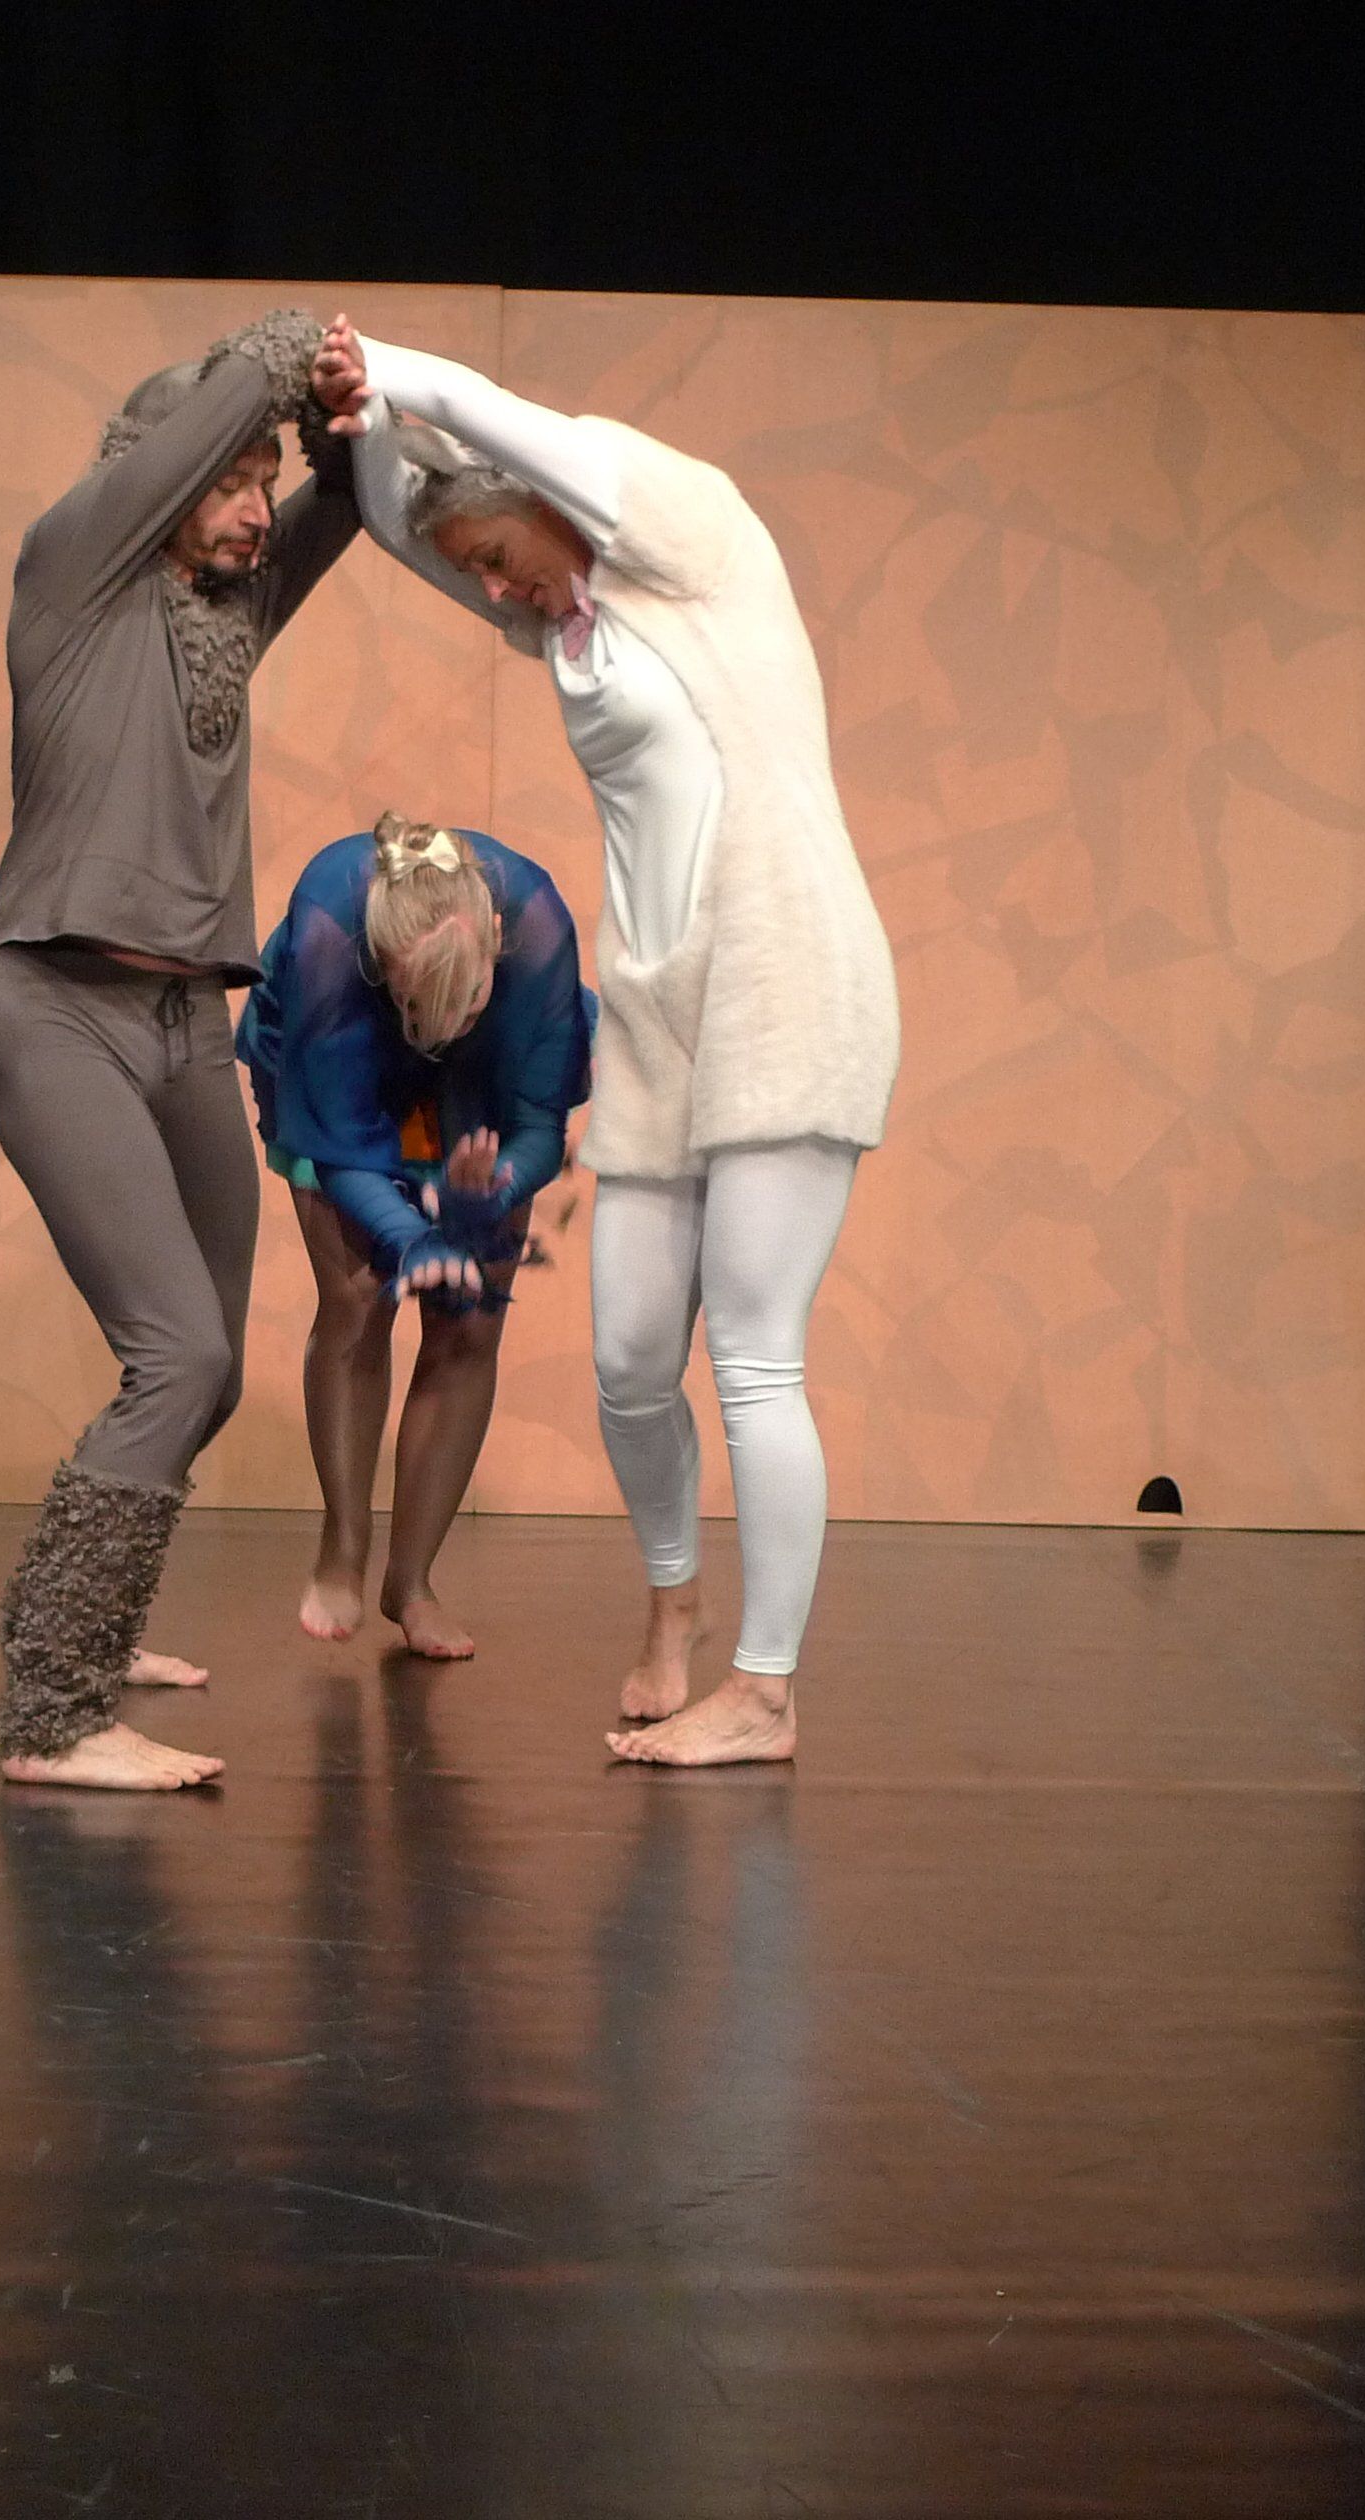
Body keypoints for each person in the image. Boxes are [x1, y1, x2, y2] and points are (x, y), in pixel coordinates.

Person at [317, 318, 901, 1768]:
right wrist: (363, 425)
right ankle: (673, 1608)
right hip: (657, 1017)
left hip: (782, 981)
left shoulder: (693, 544)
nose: (494, 590)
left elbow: (490, 415)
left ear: (544, 502)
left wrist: (373, 359)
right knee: (632, 1361)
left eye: (496, 556)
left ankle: (764, 1692)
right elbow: (398, 519)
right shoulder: (567, 622)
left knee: (752, 1355)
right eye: (479, 578)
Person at [0, 310, 362, 1792]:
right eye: (231, 479)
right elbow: (215, 410)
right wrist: (294, 346)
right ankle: (53, 1712)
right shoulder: (73, 569)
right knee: (176, 1353)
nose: (257, 507)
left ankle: (82, 1611)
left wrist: (341, 419)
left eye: (262, 481)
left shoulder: (225, 618)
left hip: (190, 1024)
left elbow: (345, 497)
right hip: (61, 1009)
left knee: (210, 1372)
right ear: (154, 469)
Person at [239, 813, 593, 1659]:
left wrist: (490, 1192)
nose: (441, 1029)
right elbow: (340, 1145)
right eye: (417, 1004)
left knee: (470, 1320)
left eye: (461, 1005)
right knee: (358, 1298)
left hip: (485, 1082)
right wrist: (414, 1237)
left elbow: (536, 1125)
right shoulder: (331, 929)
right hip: (346, 1057)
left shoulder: (538, 927)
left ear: (497, 937)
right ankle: (344, 1545)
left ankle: (413, 1580)